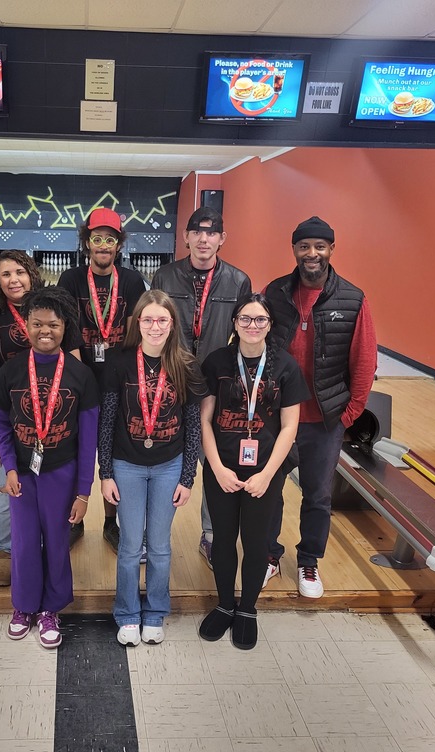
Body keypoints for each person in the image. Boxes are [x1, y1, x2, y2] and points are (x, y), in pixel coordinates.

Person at [263, 216, 377, 599]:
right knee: (270, 489)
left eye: (319, 246)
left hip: (324, 420)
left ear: (331, 249)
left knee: (318, 495)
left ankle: (309, 560)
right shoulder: (275, 292)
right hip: (279, 417)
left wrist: (348, 414)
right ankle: (268, 554)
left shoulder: (353, 298)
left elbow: (364, 361)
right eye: (304, 246)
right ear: (294, 249)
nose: (312, 253)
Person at [0, 286, 99, 649]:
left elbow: (87, 439)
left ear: (65, 326)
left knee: (55, 541)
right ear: (28, 326)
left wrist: (83, 492)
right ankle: (23, 607)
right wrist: (8, 468)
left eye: (52, 324)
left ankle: (51, 609)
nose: (44, 331)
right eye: (37, 324)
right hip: (21, 473)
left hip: (61, 473)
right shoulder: (12, 371)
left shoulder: (81, 375)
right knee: (21, 542)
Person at [198, 294, 307, 649]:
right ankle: (226, 604)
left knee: (257, 542)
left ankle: (247, 609)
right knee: (223, 540)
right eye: (245, 319)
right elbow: (205, 419)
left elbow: (290, 427)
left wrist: (268, 474)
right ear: (234, 323)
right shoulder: (217, 362)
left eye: (260, 320)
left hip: (265, 471)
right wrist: (216, 468)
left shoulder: (285, 367)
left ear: (270, 325)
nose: (252, 326)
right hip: (223, 470)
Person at [98, 290, 205, 646]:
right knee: (130, 546)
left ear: (172, 324)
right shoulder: (118, 361)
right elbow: (108, 420)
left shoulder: (185, 364)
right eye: (148, 319)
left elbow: (193, 425)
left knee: (159, 546)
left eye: (162, 320)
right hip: (126, 465)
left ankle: (156, 611)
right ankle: (127, 612)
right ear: (137, 323)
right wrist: (106, 473)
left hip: (168, 466)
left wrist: (188, 477)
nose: (155, 326)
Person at [151, 205, 251, 568]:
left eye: (212, 232)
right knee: (165, 460)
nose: (204, 238)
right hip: (172, 380)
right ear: (187, 237)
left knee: (216, 460)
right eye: (197, 231)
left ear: (222, 239)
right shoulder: (164, 275)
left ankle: (210, 536)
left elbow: (244, 335)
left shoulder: (238, 281)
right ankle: (154, 536)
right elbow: (155, 325)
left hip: (214, 385)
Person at [58, 208, 147, 552]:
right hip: (78, 378)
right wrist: (79, 378)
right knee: (73, 451)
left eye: (110, 239)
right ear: (86, 242)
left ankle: (111, 521)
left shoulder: (132, 281)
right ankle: (73, 521)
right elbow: (65, 329)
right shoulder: (70, 280)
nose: (103, 245)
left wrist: (122, 378)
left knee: (113, 454)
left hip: (118, 380)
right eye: (97, 238)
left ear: (118, 244)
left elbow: (135, 332)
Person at [0, 250, 46, 587]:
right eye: (5, 274)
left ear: (31, 273)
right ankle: (2, 551)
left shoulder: (51, 310)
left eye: (20, 272)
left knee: (43, 486)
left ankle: (41, 545)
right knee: (4, 486)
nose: (14, 280)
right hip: (6, 416)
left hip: (48, 414)